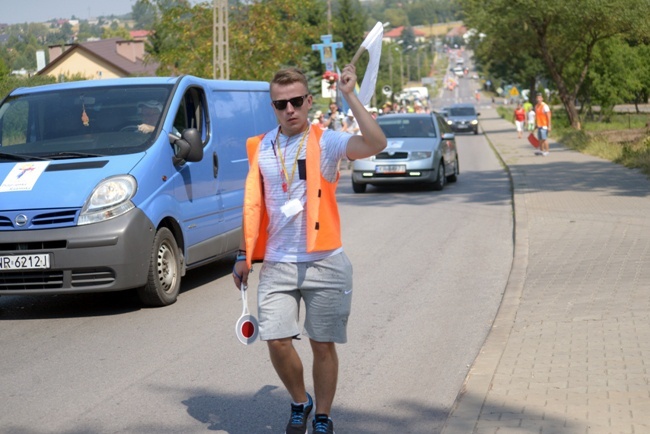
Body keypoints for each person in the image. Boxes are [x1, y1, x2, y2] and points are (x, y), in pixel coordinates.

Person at [233, 65, 386, 434]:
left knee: (322, 345)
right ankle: (301, 401)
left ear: (308, 101)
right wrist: (243, 254)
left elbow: (376, 143)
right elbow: (254, 205)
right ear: (274, 107)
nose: (290, 109)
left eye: (296, 101)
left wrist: (350, 96)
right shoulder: (261, 148)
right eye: (281, 103)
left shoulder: (327, 141)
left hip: (325, 262)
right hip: (278, 264)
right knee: (276, 340)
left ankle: (323, 416)